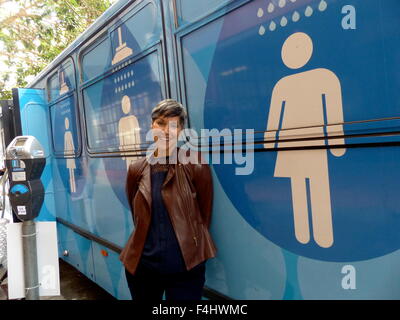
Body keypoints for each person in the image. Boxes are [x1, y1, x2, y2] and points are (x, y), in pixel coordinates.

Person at [120, 99, 217, 300]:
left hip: (186, 269)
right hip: (143, 268)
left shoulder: (195, 164)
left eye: (174, 125)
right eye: (161, 123)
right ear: (152, 126)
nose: (166, 131)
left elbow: (203, 215)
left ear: (181, 130)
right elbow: (137, 214)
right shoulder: (136, 169)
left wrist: (194, 251)